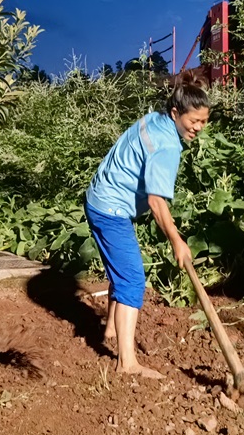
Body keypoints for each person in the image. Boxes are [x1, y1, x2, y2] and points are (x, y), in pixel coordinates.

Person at [84, 70, 210, 379]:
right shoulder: (167, 145)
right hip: (110, 208)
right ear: (176, 113)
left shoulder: (154, 119)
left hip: (99, 197)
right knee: (132, 280)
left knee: (121, 269)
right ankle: (127, 363)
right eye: (193, 121)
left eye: (204, 122)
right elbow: (156, 202)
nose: (198, 128)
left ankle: (111, 330)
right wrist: (177, 241)